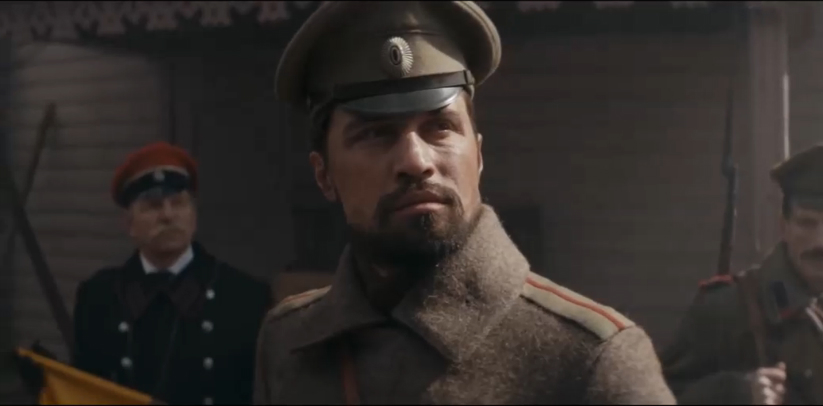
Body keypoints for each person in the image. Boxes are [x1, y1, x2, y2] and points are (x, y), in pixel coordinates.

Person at [252, 1, 676, 404]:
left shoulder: (592, 360)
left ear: (479, 154)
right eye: (376, 134)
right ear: (324, 175)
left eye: (440, 127)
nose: (416, 161)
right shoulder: (289, 342)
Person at [658, 143, 823, 405]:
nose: (820, 242)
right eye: (806, 223)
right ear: (784, 226)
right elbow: (658, 395)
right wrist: (736, 393)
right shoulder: (726, 309)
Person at [71, 142, 273, 405]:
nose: (167, 215)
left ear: (193, 216)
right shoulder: (98, 298)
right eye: (153, 206)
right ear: (129, 224)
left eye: (178, 203)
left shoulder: (245, 298)